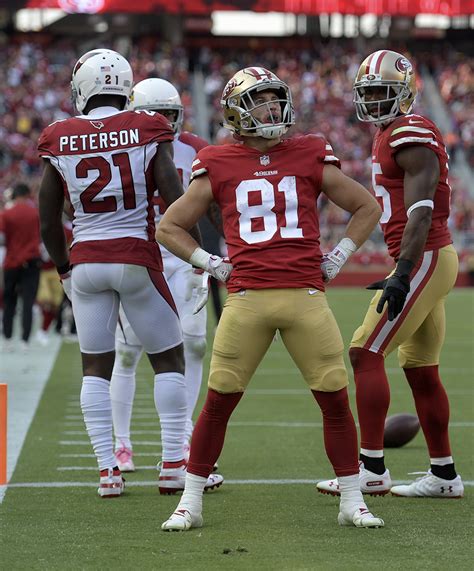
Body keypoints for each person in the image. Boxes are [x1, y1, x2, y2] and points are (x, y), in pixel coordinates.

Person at [157, 66, 384, 531]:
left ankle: (353, 500)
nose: (271, 108)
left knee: (335, 400)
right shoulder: (217, 161)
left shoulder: (309, 150)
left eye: (274, 98)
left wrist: (338, 256)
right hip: (246, 297)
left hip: (305, 295)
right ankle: (190, 502)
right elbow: (169, 226)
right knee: (219, 402)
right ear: (238, 111)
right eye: (260, 100)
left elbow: (367, 206)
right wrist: (213, 263)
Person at [38, 48, 196, 498]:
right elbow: (174, 197)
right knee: (168, 358)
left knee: (95, 367)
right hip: (136, 256)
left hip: (86, 261)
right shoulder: (147, 127)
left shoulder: (58, 135)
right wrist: (197, 255)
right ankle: (171, 465)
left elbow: (48, 220)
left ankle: (108, 471)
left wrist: (65, 271)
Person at [316, 50, 464, 498]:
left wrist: (402, 271)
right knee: (420, 367)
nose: (376, 101)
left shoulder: (411, 133)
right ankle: (444, 476)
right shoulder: (391, 132)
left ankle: (372, 468)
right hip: (425, 257)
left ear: (404, 94)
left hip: (424, 257)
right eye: (369, 93)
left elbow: (421, 211)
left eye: (383, 92)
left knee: (365, 350)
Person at [110, 78, 223, 491]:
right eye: (156, 115)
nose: (164, 123)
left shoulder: (196, 147)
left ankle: (184, 440)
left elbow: (211, 201)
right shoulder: (120, 144)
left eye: (170, 116)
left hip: (182, 253)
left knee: (192, 343)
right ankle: (122, 442)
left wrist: (224, 246)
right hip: (139, 251)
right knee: (127, 352)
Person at [0, 183, 41, 350]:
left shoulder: (6, 214)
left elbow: (2, 239)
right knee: (28, 302)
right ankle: (25, 340)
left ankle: (8, 337)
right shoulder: (35, 213)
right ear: (27, 194)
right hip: (32, 261)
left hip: (11, 261)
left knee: (9, 301)